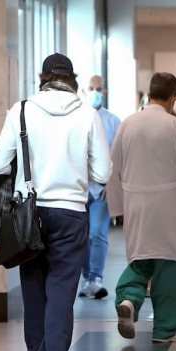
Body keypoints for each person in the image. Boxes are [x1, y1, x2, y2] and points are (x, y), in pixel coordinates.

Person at [0, 54, 111, 351]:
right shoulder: (88, 115)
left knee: (33, 289)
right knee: (61, 291)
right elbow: (102, 172)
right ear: (72, 79)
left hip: (28, 212)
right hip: (71, 212)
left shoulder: (22, 110)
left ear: (42, 78)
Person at [108, 72, 176, 344]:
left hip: (135, 203)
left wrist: (117, 207)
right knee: (169, 262)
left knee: (140, 258)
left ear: (149, 93)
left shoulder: (127, 125)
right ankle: (164, 330)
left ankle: (129, 299)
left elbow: (113, 169)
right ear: (173, 99)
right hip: (168, 204)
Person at [78, 75, 121, 300]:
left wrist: (113, 184)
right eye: (91, 88)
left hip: (103, 189)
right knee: (83, 235)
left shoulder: (114, 122)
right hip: (79, 189)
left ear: (104, 91)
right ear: (84, 91)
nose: (95, 92)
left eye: (99, 88)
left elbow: (120, 157)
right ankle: (86, 278)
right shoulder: (76, 119)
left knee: (97, 233)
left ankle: (95, 277)